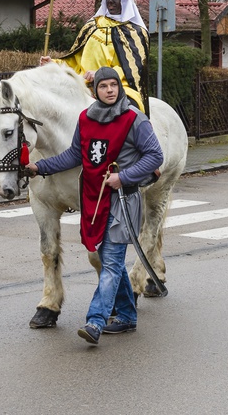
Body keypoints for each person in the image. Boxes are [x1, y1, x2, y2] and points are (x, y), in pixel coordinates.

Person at [26, 66, 163, 345]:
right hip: (93, 200)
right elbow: (75, 155)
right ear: (96, 90)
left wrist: (123, 177)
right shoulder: (86, 118)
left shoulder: (134, 119)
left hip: (122, 200)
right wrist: (39, 167)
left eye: (114, 85)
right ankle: (126, 316)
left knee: (110, 261)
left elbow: (155, 156)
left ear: (119, 88)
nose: (110, 90)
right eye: (104, 86)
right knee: (112, 261)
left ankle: (95, 321)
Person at [40, 0, 150, 114]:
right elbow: (74, 60)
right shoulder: (92, 25)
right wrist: (53, 63)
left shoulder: (135, 32)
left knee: (129, 113)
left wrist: (100, 75)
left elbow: (134, 69)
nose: (110, 1)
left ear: (125, 1)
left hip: (116, 87)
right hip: (83, 85)